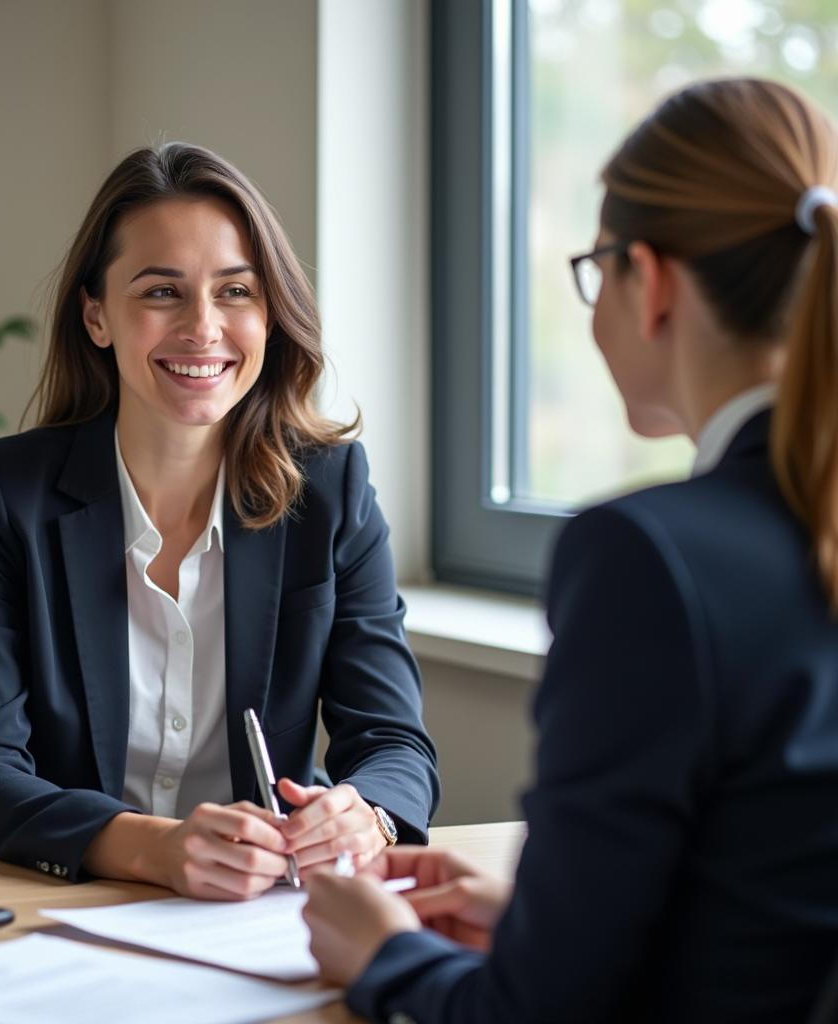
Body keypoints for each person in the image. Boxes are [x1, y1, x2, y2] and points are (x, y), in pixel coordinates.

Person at [303, 77, 838, 1022]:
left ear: (653, 280)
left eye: (595, 268)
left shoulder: (651, 561)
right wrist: (543, 923)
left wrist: (381, 953)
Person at [0, 142, 439, 899]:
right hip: (60, 908)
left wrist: (366, 815)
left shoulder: (332, 493)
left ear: (270, 314)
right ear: (97, 315)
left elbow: (395, 744)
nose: (203, 327)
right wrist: (152, 849)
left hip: (257, 917)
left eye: (236, 291)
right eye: (162, 292)